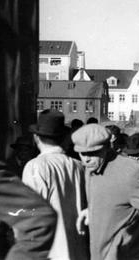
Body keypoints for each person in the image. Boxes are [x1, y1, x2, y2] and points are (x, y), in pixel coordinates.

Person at [73, 124, 139, 260]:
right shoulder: (89, 169)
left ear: (106, 147)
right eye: (82, 153)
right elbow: (116, 200)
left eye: (93, 153)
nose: (86, 159)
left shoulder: (130, 172)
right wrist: (93, 210)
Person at [22, 109, 88, 260]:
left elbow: (31, 213)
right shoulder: (78, 165)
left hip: (50, 250)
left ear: (36, 137)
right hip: (78, 248)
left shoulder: (35, 166)